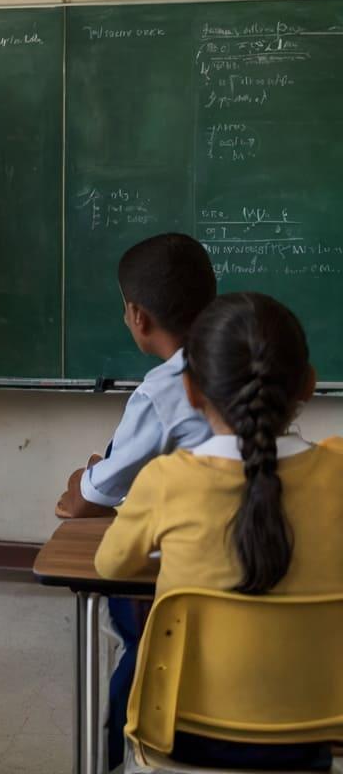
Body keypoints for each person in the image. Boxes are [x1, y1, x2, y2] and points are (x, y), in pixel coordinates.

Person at [96, 292, 343, 768]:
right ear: (308, 385)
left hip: (180, 735)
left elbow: (110, 565)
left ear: (189, 391)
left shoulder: (167, 482)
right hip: (314, 731)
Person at [54, 232, 216, 768]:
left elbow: (84, 505)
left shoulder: (162, 391)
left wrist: (89, 477)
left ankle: (113, 749)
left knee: (139, 617)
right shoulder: (256, 370)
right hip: (297, 695)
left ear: (138, 317)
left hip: (183, 588)